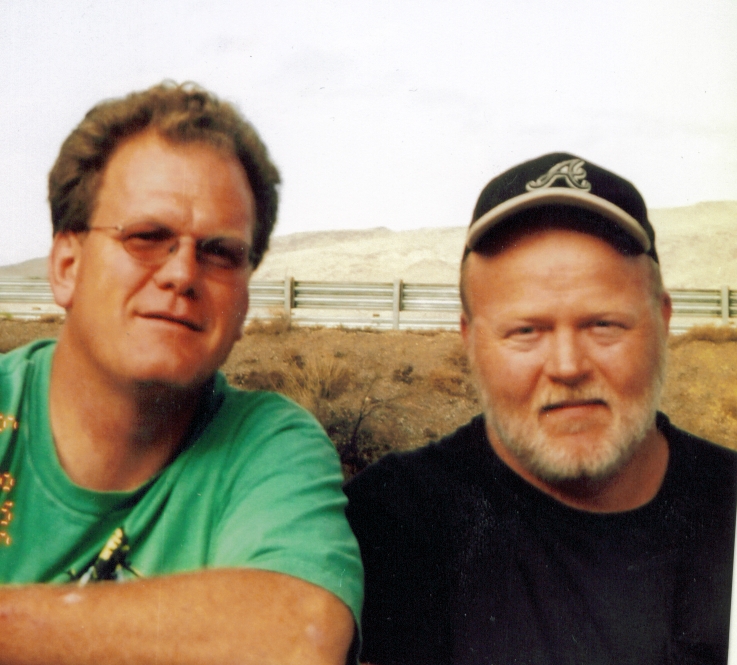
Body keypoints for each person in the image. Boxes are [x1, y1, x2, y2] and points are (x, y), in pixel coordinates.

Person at [0, 82, 362, 664]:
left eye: (220, 253)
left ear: (244, 300)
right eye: (147, 237)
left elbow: (298, 637)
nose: (182, 274)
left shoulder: (268, 446)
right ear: (67, 266)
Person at [345, 153, 737, 665]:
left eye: (603, 325)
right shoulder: (384, 528)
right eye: (526, 331)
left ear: (662, 323)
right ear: (470, 341)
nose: (568, 366)